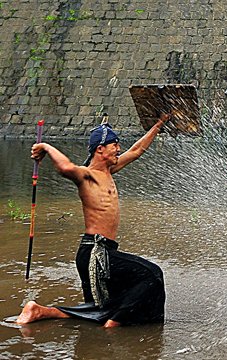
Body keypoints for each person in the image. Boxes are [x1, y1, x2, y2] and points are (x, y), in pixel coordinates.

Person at [16, 113, 170, 327]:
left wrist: (159, 124)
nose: (119, 149)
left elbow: (136, 151)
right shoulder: (86, 176)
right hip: (96, 252)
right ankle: (114, 324)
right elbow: (66, 168)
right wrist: (46, 147)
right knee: (152, 275)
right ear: (100, 149)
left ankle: (39, 311)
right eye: (114, 145)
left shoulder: (110, 170)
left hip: (101, 252)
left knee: (100, 308)